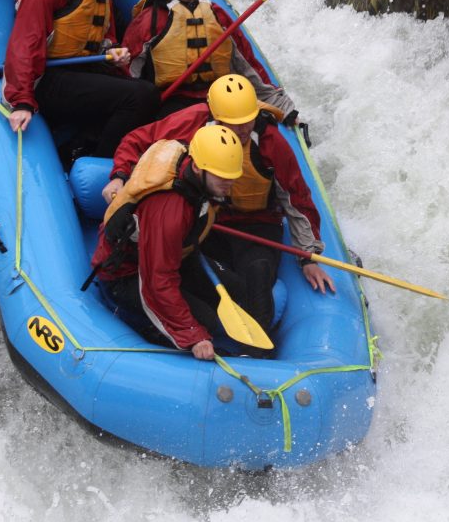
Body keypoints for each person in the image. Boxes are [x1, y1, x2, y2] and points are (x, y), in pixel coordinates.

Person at [102, 73, 335, 332]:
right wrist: (120, 175)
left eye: (247, 121)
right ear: (215, 117)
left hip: (256, 226)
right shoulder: (194, 123)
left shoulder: (270, 141)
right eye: (234, 124)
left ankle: (257, 354)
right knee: (191, 282)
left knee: (257, 278)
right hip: (208, 224)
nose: (242, 130)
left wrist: (307, 257)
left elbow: (297, 198)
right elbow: (137, 141)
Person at [91, 124, 262, 360]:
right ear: (196, 167)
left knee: (238, 290)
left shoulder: (194, 167)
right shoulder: (169, 211)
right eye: (221, 177)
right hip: (127, 274)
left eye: (232, 176)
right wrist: (192, 334)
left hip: (172, 254)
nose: (228, 183)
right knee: (207, 322)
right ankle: (142, 325)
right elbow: (156, 281)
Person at [2, 0, 159, 158]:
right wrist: (22, 101)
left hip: (82, 69)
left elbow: (102, 31)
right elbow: (25, 41)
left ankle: (82, 145)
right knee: (140, 96)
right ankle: (100, 161)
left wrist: (112, 51)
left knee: (149, 89)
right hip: (48, 78)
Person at [122, 0, 298, 120]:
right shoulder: (149, 22)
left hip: (221, 94)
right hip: (174, 101)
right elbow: (127, 71)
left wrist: (277, 102)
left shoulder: (215, 13)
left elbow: (246, 62)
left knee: (258, 126)